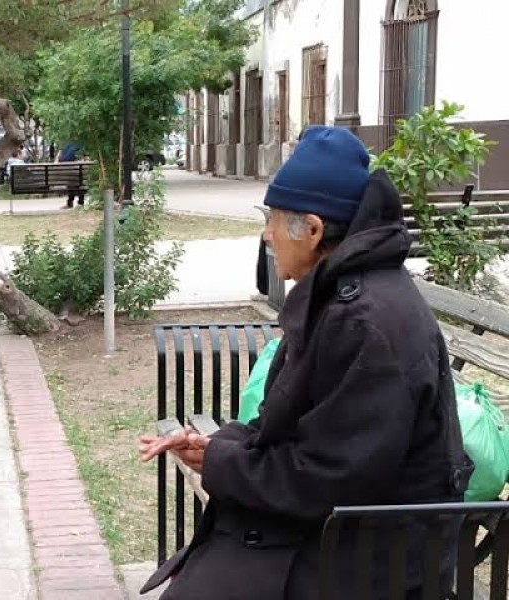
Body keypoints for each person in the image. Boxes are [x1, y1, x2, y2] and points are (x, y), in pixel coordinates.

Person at [138, 126, 472, 600]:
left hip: (375, 556)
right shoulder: (342, 295)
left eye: (273, 219)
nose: (267, 234)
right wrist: (216, 445)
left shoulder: (364, 321)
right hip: (345, 529)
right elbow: (293, 424)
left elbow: (331, 476)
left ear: (313, 230)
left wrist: (222, 462)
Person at [56, 142, 84, 208]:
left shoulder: (66, 146)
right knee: (79, 181)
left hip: (67, 175)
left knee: (72, 181)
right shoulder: (80, 145)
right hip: (76, 174)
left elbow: (60, 159)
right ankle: (80, 202)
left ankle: (70, 202)